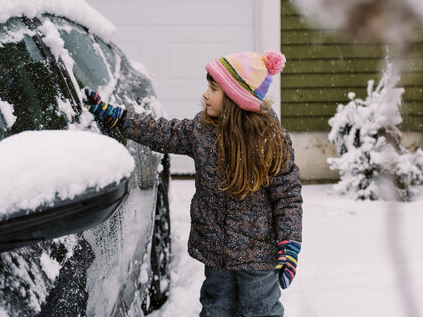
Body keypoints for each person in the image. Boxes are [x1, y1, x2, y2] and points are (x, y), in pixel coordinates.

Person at [84, 50, 303, 317]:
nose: (205, 95)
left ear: (236, 98)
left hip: (258, 255)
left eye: (213, 89)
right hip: (216, 252)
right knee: (215, 309)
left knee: (260, 310)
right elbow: (161, 131)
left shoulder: (271, 140)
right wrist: (119, 117)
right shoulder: (202, 131)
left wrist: (289, 242)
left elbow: (288, 195)